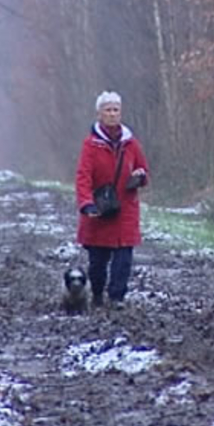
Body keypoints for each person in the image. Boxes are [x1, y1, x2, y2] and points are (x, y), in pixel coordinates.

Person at [75, 91, 149, 310]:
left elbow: (144, 170)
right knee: (97, 262)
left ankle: (117, 298)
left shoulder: (131, 144)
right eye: (108, 110)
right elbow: (83, 176)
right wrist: (86, 203)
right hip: (100, 210)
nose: (112, 114)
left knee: (124, 258)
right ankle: (97, 294)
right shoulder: (90, 145)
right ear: (99, 114)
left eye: (116, 109)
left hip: (126, 208)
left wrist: (139, 177)